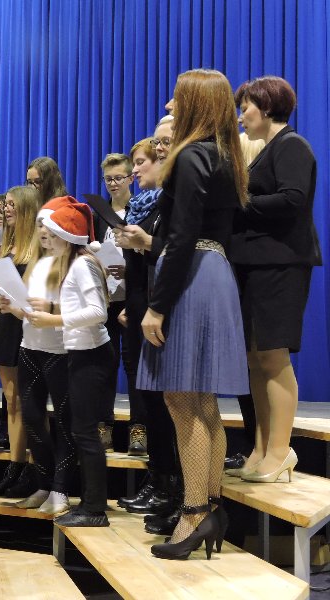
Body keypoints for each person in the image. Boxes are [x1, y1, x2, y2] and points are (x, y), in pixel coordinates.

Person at [137, 69, 250, 560]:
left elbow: (182, 237)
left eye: (176, 99)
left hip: (190, 277)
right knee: (203, 401)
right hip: (215, 273)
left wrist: (156, 306)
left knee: (182, 400)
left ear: (196, 105)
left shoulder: (189, 157)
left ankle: (193, 512)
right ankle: (212, 507)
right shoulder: (225, 155)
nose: (168, 106)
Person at [229, 76, 322, 483]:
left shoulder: (292, 145)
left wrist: (239, 202)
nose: (241, 116)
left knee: (272, 356)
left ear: (266, 107)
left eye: (246, 108)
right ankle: (261, 445)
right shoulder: (268, 149)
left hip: (281, 264)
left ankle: (281, 449)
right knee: (254, 358)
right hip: (255, 264)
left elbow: (293, 199)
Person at [115, 117, 183, 534]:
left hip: (160, 308)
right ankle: (158, 481)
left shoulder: (167, 203)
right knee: (148, 399)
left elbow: (175, 253)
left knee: (163, 404)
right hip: (140, 305)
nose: (136, 169)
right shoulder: (143, 206)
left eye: (141, 162)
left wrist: (144, 244)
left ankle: (172, 487)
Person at [31, 203, 115, 527]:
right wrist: (51, 309)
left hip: (92, 355)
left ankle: (94, 509)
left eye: (52, 233)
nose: (46, 238)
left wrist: (54, 318)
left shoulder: (82, 264)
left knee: (85, 432)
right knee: (82, 431)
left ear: (66, 236)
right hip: (81, 353)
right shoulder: (73, 264)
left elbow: (98, 312)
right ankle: (90, 504)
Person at [0, 197, 76, 512]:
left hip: (61, 351)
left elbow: (85, 311)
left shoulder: (75, 264)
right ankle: (44, 484)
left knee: (65, 421)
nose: (43, 232)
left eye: (50, 226)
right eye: (40, 226)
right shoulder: (36, 265)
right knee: (31, 417)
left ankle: (61, 489)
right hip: (30, 349)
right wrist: (13, 308)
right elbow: (29, 312)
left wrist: (52, 309)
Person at [0, 185, 40, 496]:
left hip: (29, 326)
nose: (6, 209)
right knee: (11, 400)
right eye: (5, 204)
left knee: (29, 400)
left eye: (11, 205)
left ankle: (33, 467)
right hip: (7, 325)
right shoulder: (7, 246)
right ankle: (15, 465)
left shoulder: (40, 247)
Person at [93, 154, 135, 453]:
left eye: (119, 178)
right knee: (104, 365)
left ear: (131, 178)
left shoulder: (140, 209)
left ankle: (139, 428)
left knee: (134, 366)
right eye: (108, 179)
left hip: (132, 298)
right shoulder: (99, 214)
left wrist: (128, 271)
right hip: (105, 298)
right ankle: (103, 426)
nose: (113, 184)